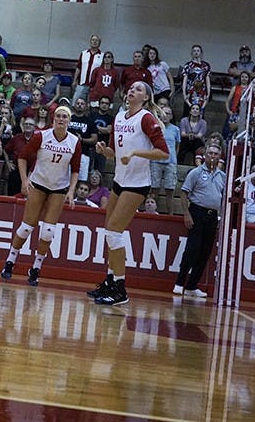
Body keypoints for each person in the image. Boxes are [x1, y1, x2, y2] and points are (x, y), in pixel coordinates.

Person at [89, 81, 169, 305]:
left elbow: (163, 153)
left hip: (137, 184)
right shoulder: (119, 116)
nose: (132, 90)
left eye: (139, 89)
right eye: (131, 88)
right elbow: (114, 152)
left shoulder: (146, 118)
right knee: (109, 233)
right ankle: (110, 280)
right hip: (119, 180)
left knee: (114, 233)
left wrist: (135, 153)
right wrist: (105, 151)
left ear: (145, 98)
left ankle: (120, 290)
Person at [1, 105, 81, 286]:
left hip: (59, 188)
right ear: (53, 119)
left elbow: (75, 169)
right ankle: (10, 261)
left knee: (48, 232)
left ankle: (36, 268)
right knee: (26, 227)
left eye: (65, 117)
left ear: (69, 121)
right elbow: (21, 157)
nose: (61, 119)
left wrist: (71, 190)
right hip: (38, 184)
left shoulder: (74, 141)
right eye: (58, 116)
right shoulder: (41, 136)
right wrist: (24, 180)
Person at [173, 142, 225, 298]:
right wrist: (186, 214)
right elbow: (184, 193)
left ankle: (192, 286)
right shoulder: (195, 172)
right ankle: (179, 282)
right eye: (210, 153)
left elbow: (223, 198)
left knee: (205, 252)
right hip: (197, 212)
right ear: (205, 155)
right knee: (192, 249)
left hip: (212, 216)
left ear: (220, 157)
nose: (213, 156)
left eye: (216, 154)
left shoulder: (223, 176)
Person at [149, 106, 181, 214]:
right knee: (154, 189)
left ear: (171, 116)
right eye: (163, 113)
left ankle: (170, 214)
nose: (165, 115)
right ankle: (153, 212)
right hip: (156, 161)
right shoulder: (154, 127)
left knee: (170, 190)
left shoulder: (176, 129)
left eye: (168, 113)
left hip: (170, 161)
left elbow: (177, 146)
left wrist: (172, 156)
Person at [180, 44, 211, 118]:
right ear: (191, 53)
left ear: (201, 53)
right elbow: (185, 79)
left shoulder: (206, 65)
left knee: (200, 111)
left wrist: (208, 93)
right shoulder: (188, 65)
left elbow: (207, 79)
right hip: (190, 91)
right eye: (194, 51)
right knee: (188, 111)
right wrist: (184, 93)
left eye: (198, 51)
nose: (196, 52)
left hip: (201, 92)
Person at [71, 34, 103, 104]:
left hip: (94, 86)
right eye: (93, 40)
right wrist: (74, 80)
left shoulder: (102, 56)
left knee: (90, 106)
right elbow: (79, 67)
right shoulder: (84, 53)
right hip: (82, 84)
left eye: (97, 40)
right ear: (90, 42)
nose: (94, 42)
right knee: (76, 103)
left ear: (100, 43)